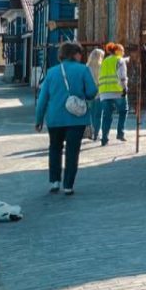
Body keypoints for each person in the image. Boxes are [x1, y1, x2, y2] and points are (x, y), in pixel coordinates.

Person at [35, 41, 97, 195]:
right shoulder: (83, 70)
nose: (81, 56)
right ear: (75, 54)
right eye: (80, 53)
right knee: (72, 151)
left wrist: (39, 119)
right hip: (76, 119)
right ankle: (68, 185)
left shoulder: (51, 72)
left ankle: (54, 182)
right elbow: (91, 92)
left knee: (55, 148)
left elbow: (42, 99)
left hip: (54, 119)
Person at [97, 42, 129, 145]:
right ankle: (120, 133)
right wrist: (125, 88)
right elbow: (122, 76)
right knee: (123, 111)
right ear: (118, 51)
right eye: (123, 51)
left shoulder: (105, 61)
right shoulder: (119, 60)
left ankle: (104, 139)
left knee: (107, 116)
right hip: (117, 91)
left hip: (104, 93)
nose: (123, 53)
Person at [84, 47, 105, 141]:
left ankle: (91, 133)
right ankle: (97, 133)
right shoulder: (102, 67)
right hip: (100, 95)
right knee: (98, 115)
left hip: (89, 95)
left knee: (90, 115)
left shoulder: (86, 68)